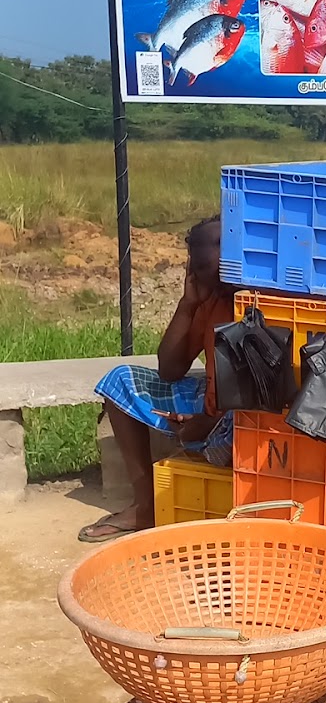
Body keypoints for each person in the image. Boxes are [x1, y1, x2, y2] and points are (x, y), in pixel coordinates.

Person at [78, 216, 234, 541]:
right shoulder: (210, 298)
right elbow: (170, 369)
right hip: (214, 405)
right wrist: (188, 304)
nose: (197, 269)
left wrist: (208, 420)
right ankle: (146, 506)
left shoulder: (264, 299)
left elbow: (257, 388)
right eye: (195, 264)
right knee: (121, 379)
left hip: (246, 416)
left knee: (241, 418)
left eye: (206, 259)